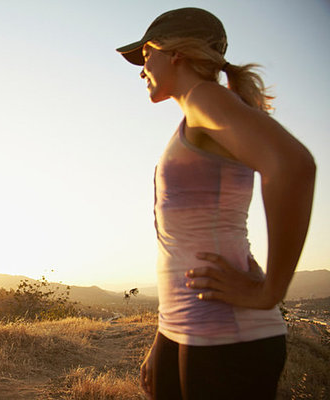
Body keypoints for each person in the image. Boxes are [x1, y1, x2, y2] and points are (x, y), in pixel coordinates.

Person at [116, 7, 315, 400]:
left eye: (146, 55)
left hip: (228, 337)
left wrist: (270, 291)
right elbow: (180, 249)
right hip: (186, 330)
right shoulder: (195, 112)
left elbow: (293, 165)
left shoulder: (205, 99)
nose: (142, 69)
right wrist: (164, 338)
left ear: (176, 53)